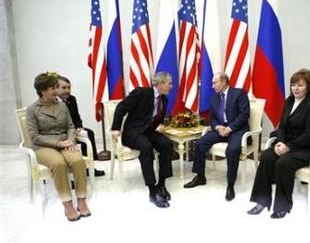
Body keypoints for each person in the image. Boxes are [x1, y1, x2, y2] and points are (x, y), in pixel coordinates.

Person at [247, 68, 310, 219]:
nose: (295, 88)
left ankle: (282, 206)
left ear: (309, 87)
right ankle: (261, 201)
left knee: (283, 163)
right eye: (293, 85)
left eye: (300, 85)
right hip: (290, 143)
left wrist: (289, 147)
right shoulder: (289, 101)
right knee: (267, 156)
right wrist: (281, 142)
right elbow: (283, 125)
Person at [26, 72, 91, 221]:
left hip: (65, 142)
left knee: (78, 161)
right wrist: (59, 143)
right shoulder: (32, 110)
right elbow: (34, 136)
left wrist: (70, 140)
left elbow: (70, 126)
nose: (56, 91)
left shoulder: (62, 105)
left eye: (56, 87)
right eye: (52, 88)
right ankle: (67, 204)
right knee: (58, 163)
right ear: (42, 91)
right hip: (43, 146)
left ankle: (81, 200)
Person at [183, 71, 250, 201]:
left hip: (236, 130)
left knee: (233, 149)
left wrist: (229, 129)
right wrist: (219, 128)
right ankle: (200, 176)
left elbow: (244, 115)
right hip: (221, 130)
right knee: (200, 143)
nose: (212, 85)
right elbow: (212, 118)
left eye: (215, 82)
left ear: (224, 82)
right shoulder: (214, 98)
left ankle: (230, 184)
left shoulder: (239, 93)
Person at [111, 72, 174, 208]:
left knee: (167, 144)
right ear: (161, 83)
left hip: (150, 131)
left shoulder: (164, 99)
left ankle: (161, 184)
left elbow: (156, 118)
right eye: (169, 83)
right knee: (146, 147)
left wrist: (159, 125)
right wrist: (116, 128)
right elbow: (121, 107)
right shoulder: (141, 93)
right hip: (132, 132)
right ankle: (152, 191)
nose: (171, 86)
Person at [56, 76, 105, 177]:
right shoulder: (52, 102)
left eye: (69, 87)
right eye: (64, 87)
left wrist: (79, 127)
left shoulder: (71, 99)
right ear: (56, 89)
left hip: (73, 130)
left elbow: (76, 117)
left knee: (89, 133)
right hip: (59, 133)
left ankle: (89, 166)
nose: (67, 90)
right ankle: (68, 174)